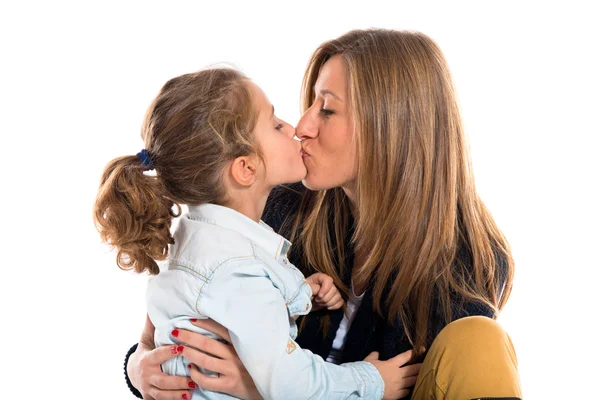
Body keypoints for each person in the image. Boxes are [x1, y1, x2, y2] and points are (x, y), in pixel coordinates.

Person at [123, 29, 523, 400]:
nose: (303, 126)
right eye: (309, 104)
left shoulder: (468, 260)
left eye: (327, 110)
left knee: (480, 341)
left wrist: (262, 389)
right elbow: (166, 323)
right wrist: (139, 367)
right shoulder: (273, 210)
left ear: (390, 127)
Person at [95, 67, 420, 400]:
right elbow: (293, 383)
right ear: (245, 168)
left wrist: (296, 294)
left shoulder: (200, 239)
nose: (296, 127)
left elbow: (240, 306)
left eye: (328, 110)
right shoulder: (245, 258)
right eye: (277, 125)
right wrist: (373, 381)